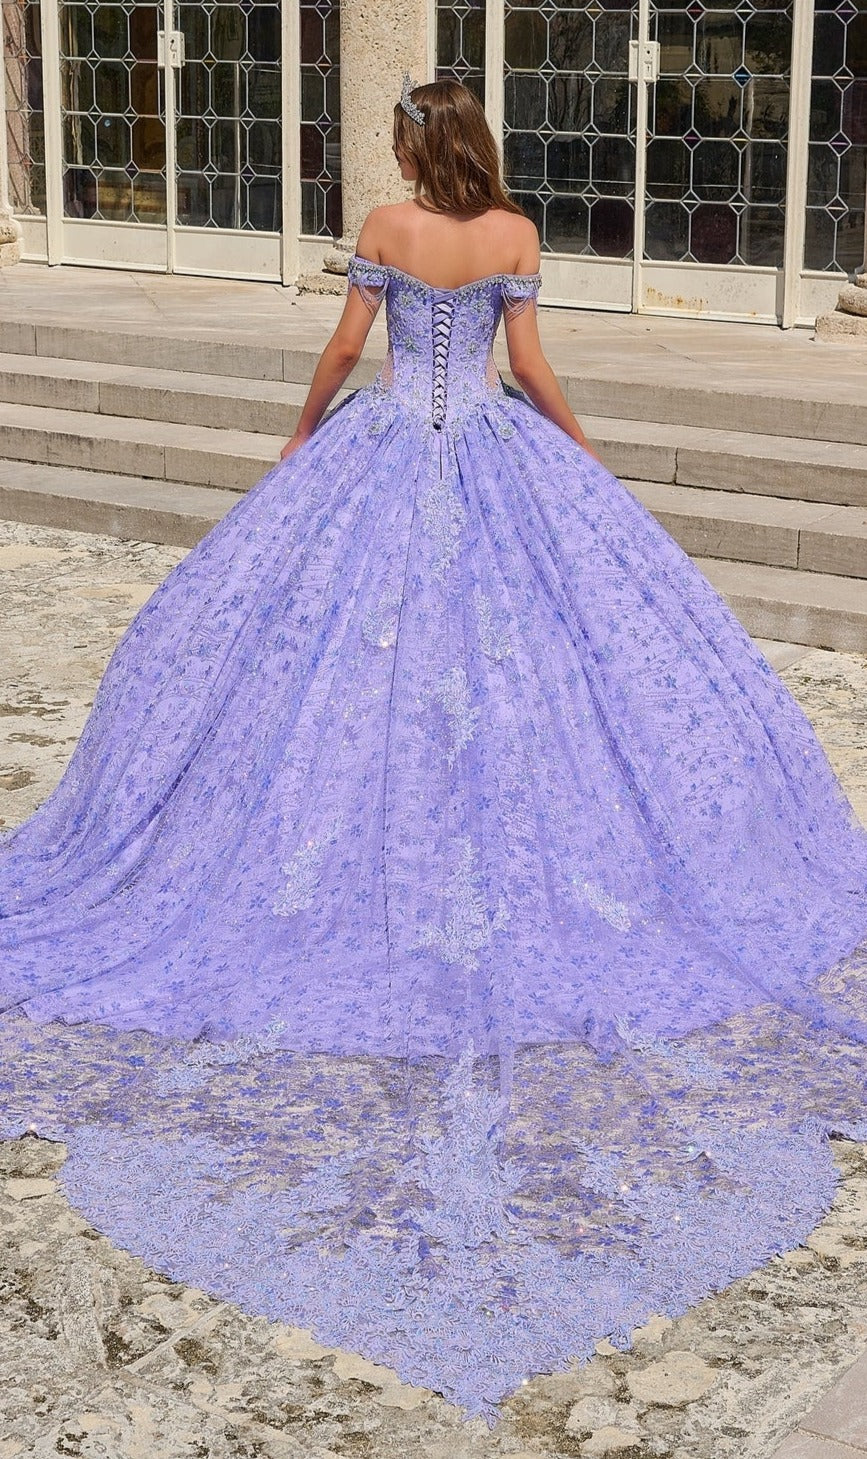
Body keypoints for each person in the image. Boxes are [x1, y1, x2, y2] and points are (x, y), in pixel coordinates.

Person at [1, 77, 866, 1421]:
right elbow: (531, 374)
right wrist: (584, 458)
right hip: (498, 457)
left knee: (328, 680)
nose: (400, 150)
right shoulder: (514, 234)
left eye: (402, 134)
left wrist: (298, 441)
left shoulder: (388, 228)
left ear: (415, 144)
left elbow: (345, 353)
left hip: (391, 457)